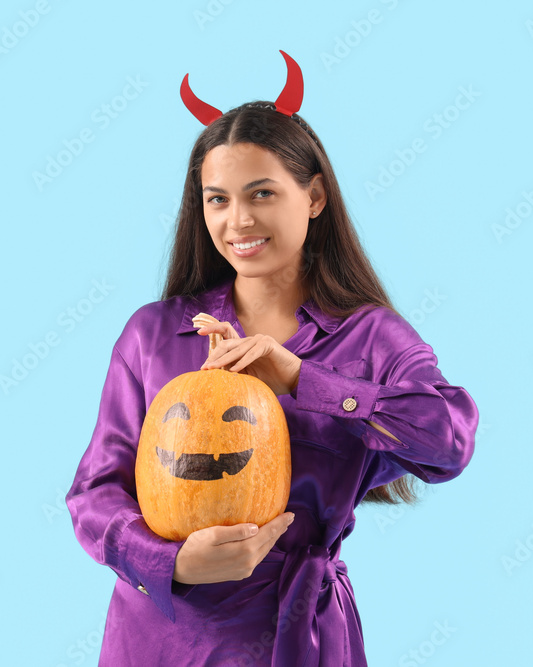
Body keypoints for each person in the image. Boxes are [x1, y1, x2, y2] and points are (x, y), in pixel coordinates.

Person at [65, 50, 479, 667]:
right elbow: (94, 492)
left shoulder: (370, 338)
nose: (239, 220)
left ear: (313, 197)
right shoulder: (153, 335)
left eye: (261, 193)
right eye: (217, 200)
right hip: (159, 637)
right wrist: (172, 562)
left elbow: (449, 444)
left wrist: (300, 378)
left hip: (298, 637)